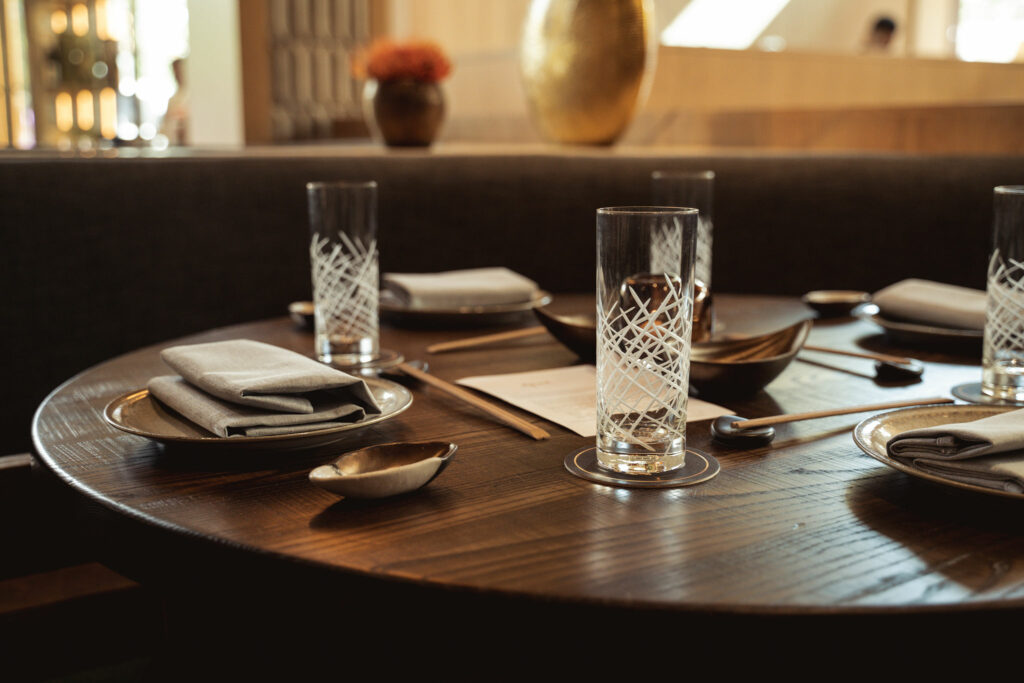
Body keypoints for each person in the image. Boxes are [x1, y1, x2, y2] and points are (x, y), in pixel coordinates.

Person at [161, 58, 189, 145]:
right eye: (174, 71)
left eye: (178, 71)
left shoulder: (191, 96)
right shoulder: (173, 99)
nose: (176, 75)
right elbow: (165, 128)